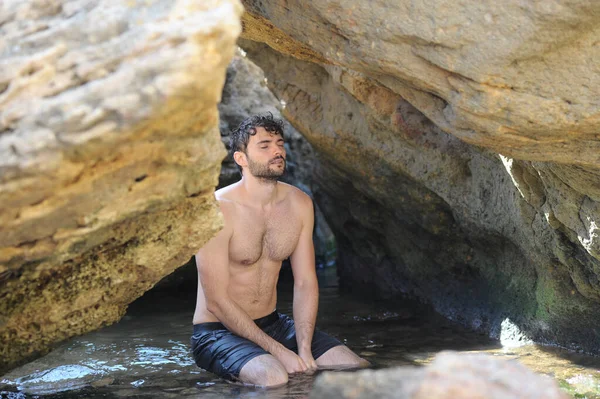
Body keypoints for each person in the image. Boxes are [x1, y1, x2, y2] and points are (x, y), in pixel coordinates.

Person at [190, 113, 368, 387]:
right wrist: (280, 351)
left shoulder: (299, 204)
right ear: (241, 159)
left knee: (354, 367)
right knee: (274, 378)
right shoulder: (216, 211)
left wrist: (304, 347)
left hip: (273, 324)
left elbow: (305, 282)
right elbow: (216, 301)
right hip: (217, 331)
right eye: (264, 145)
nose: (276, 151)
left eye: (279, 143)